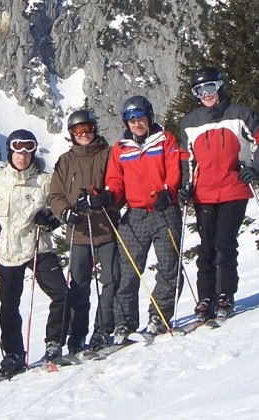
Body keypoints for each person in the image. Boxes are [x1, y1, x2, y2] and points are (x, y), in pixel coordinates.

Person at [178, 66, 259, 321]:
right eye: (200, 90)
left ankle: (225, 294)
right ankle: (205, 298)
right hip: (204, 193)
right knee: (206, 248)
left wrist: (255, 168)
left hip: (233, 188)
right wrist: (185, 185)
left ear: (220, 87)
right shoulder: (190, 123)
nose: (206, 94)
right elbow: (186, 158)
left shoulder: (240, 114)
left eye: (210, 88)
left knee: (225, 243)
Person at [0, 129, 66, 377]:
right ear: (10, 151)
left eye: (28, 151)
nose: (23, 156)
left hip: (38, 246)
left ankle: (54, 342)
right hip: (8, 250)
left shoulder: (44, 180)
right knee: (8, 306)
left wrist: (52, 219)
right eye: (18, 150)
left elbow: (60, 203)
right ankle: (13, 354)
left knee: (60, 293)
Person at [103, 95, 185, 339]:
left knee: (169, 267)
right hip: (135, 214)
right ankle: (124, 323)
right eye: (130, 119)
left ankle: (158, 316)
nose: (136, 123)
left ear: (149, 117)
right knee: (128, 271)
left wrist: (168, 191)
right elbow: (115, 180)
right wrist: (110, 196)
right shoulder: (120, 149)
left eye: (140, 118)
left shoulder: (164, 140)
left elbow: (173, 169)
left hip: (163, 211)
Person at [48, 109, 122, 354]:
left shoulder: (108, 154)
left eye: (87, 129)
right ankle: (77, 334)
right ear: (71, 134)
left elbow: (118, 185)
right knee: (79, 285)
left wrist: (104, 199)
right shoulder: (65, 160)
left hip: (106, 228)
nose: (83, 134)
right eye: (77, 131)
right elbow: (56, 195)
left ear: (94, 129)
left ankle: (103, 329)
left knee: (110, 280)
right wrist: (65, 212)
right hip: (79, 232)